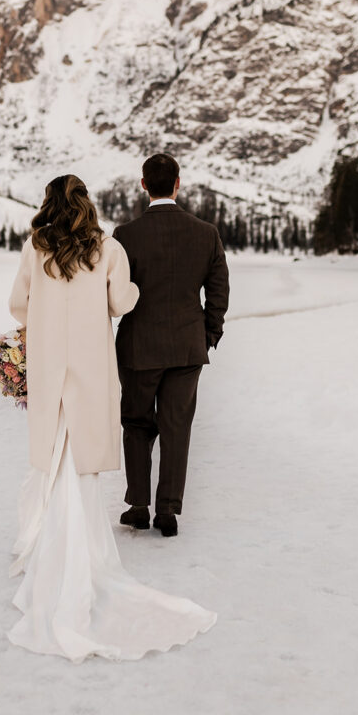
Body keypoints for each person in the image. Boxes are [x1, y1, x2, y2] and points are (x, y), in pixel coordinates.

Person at [6, 173, 216, 662]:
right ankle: (83, 552)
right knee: (82, 458)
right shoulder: (107, 249)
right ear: (87, 205)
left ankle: (51, 546)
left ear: (48, 204)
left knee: (55, 455)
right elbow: (123, 302)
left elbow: (19, 306)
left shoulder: (34, 248)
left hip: (50, 365)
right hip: (89, 368)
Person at [113, 154, 230, 537]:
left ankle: (139, 506)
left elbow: (113, 293)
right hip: (187, 346)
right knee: (176, 425)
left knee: (136, 423)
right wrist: (208, 336)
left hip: (138, 347)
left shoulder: (125, 236)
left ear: (144, 185)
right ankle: (168, 511)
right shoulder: (206, 233)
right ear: (178, 183)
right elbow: (218, 293)